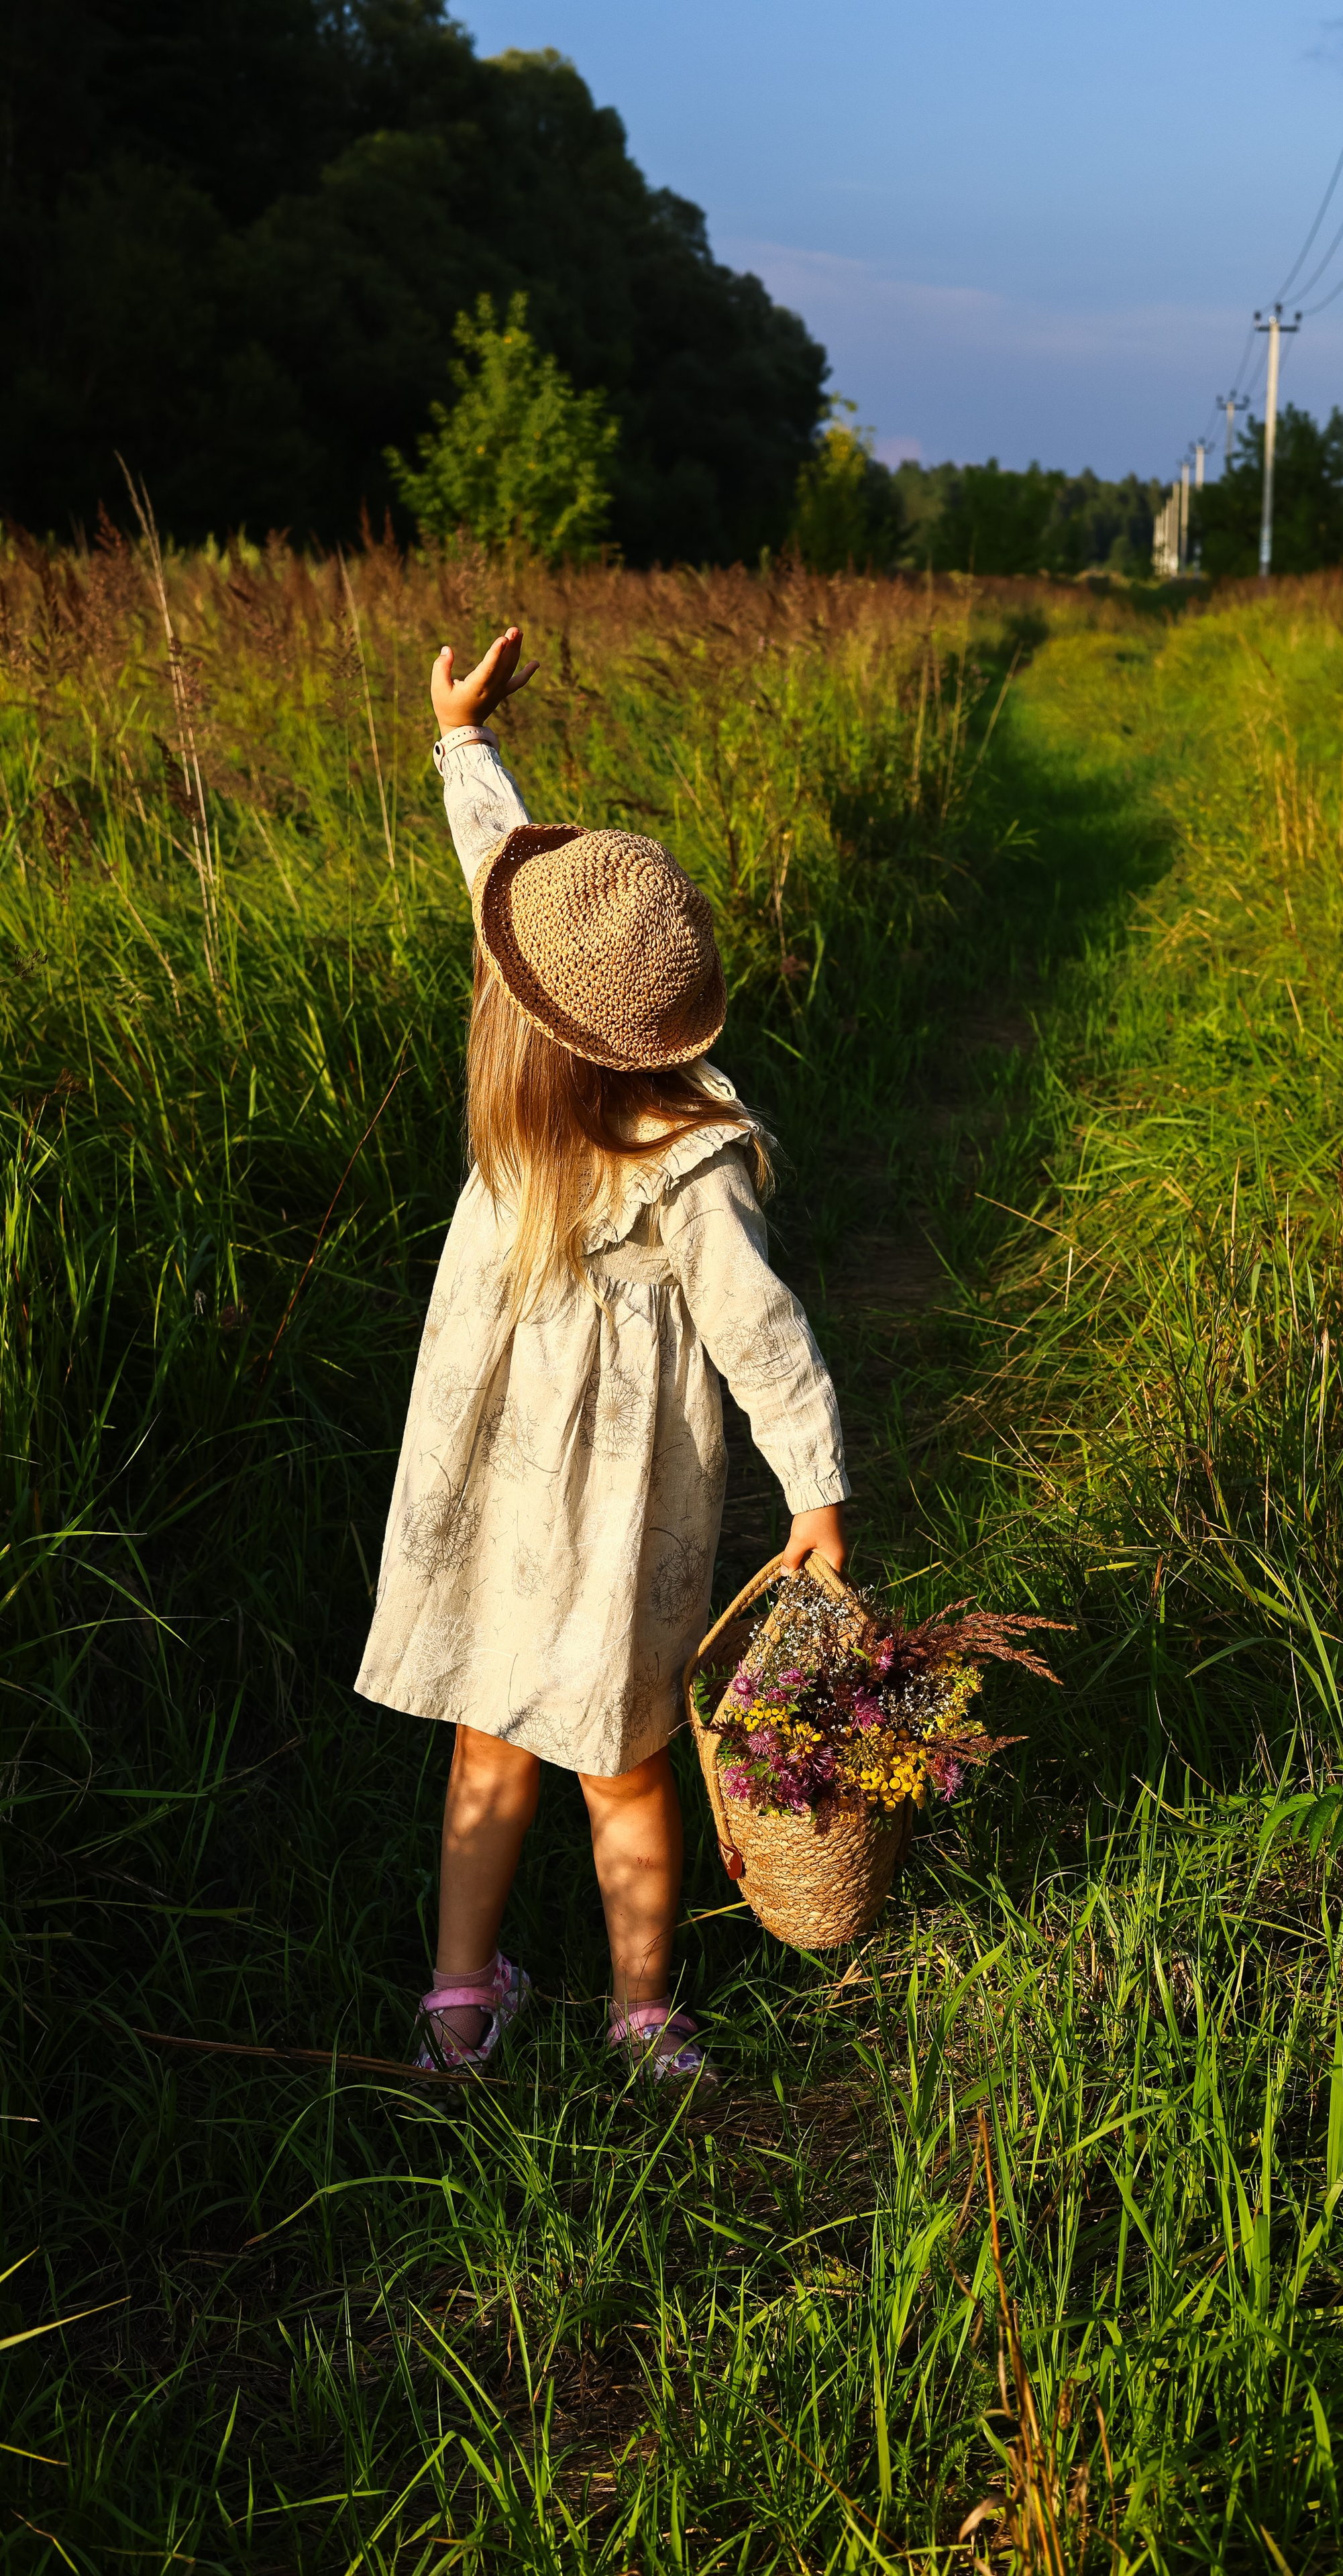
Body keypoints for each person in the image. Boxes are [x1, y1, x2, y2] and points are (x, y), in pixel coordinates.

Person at [356, 627, 850, 2084]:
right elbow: (763, 1334)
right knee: (621, 1762)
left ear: (522, 1003)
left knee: (497, 1748)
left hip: (517, 1494)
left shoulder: (552, 1116)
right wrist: (815, 1493)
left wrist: (463, 741)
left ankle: (470, 2001)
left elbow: (496, 877)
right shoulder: (692, 1142)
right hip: (616, 1514)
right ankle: (630, 2011)